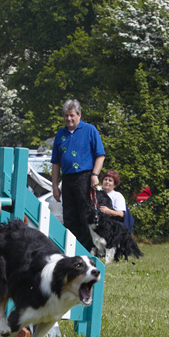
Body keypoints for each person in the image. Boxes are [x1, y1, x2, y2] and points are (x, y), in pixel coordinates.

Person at [50, 99, 105, 252]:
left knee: (85, 215)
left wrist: (95, 174)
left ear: (79, 115)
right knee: (69, 216)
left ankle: (87, 250)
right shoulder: (60, 134)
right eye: (66, 116)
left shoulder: (90, 130)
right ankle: (71, 249)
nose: (69, 119)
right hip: (67, 179)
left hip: (85, 177)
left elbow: (100, 155)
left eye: (72, 115)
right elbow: (55, 162)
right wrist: (54, 185)